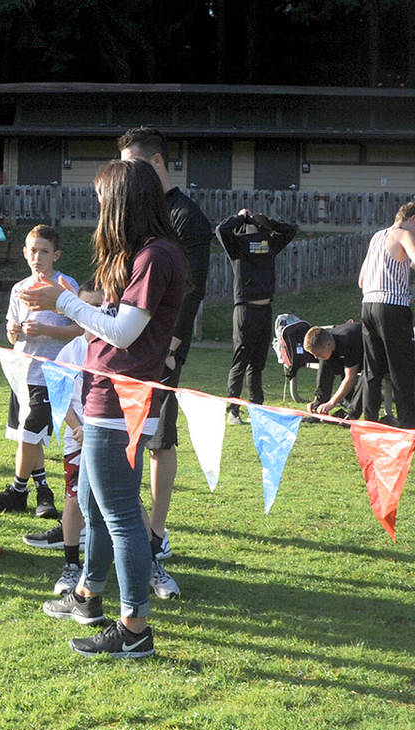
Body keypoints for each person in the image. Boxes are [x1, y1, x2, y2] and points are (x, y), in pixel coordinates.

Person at [26, 158, 186, 658]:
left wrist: (64, 302)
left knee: (120, 515)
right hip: (104, 395)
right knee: (95, 506)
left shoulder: (157, 256)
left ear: (123, 204)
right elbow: (117, 316)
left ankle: (134, 628)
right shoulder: (141, 254)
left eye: (102, 202)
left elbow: (123, 331)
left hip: (122, 402)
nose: (98, 212)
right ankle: (89, 598)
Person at [118, 127, 212, 563]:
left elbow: (192, 289)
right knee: (123, 431)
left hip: (163, 345)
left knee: (158, 435)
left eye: (132, 165)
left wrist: (170, 345)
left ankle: (157, 532)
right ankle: (124, 521)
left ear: (156, 162)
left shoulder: (186, 217)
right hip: (129, 338)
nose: (126, 175)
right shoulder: (136, 213)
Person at [0, 225, 81, 518]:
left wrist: (47, 330)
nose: (37, 256)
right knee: (31, 436)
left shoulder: (65, 285)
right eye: (33, 250)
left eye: (44, 251)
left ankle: (17, 489)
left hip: (51, 374)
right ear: (25, 253)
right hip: (22, 372)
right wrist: (13, 331)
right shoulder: (19, 288)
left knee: (29, 435)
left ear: (56, 255)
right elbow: (13, 335)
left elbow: (81, 330)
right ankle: (42, 493)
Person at [22, 281, 103, 594]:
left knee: (127, 500)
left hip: (111, 436)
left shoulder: (118, 349)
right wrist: (77, 427)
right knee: (74, 498)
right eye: (87, 307)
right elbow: (61, 395)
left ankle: (149, 559)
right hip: (79, 438)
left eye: (99, 306)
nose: (92, 313)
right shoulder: (71, 351)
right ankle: (71, 565)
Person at [217, 208, 298, 425]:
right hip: (245, 309)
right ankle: (233, 411)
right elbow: (220, 230)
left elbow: (291, 230)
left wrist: (266, 221)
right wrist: (241, 217)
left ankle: (257, 408)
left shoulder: (268, 243)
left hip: (265, 309)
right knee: (241, 361)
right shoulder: (238, 246)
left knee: (257, 363)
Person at [358, 202, 415, 428]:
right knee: (401, 367)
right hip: (391, 308)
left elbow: (361, 279)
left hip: (368, 305)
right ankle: (408, 423)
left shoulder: (377, 237)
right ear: (412, 220)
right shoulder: (402, 234)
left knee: (372, 369)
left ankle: (370, 420)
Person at [303, 322, 364, 419]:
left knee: (365, 375)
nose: (315, 357)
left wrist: (332, 403)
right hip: (351, 354)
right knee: (324, 361)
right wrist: (318, 400)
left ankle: (352, 414)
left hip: (374, 356)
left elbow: (350, 378)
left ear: (328, 344)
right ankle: (319, 404)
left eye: (318, 353)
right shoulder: (328, 343)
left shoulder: (348, 340)